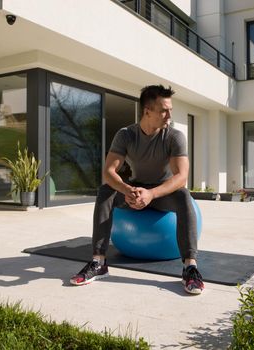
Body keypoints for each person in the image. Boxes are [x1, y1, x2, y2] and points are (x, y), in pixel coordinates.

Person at [70, 85, 204, 295]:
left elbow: (181, 177)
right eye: (164, 110)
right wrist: (126, 189)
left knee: (184, 195)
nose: (169, 115)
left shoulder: (174, 136)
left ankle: (190, 267)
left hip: (162, 192)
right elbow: (109, 172)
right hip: (134, 188)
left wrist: (151, 194)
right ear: (147, 111)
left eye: (170, 109)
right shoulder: (126, 135)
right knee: (105, 191)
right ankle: (98, 262)